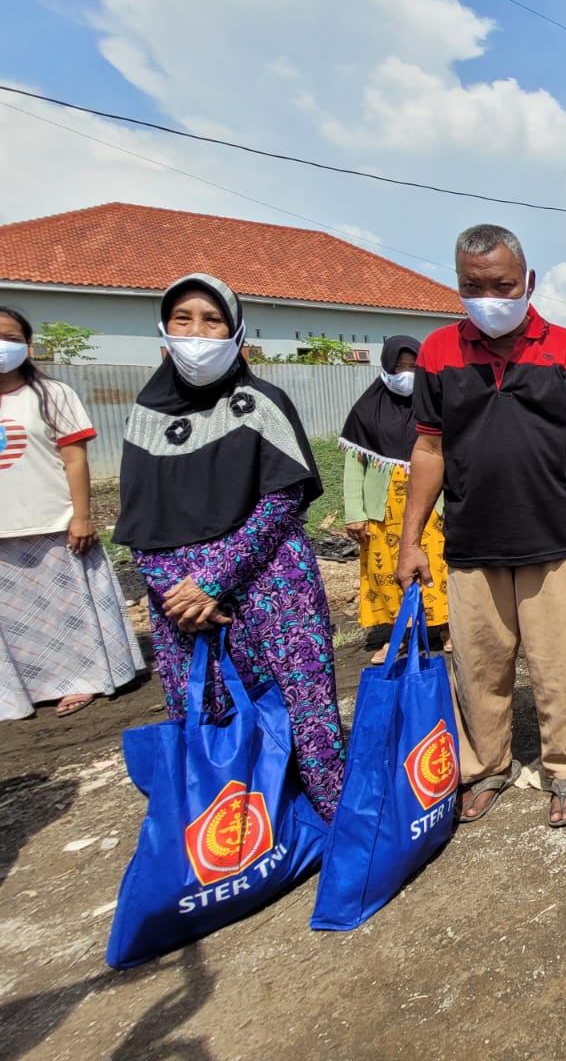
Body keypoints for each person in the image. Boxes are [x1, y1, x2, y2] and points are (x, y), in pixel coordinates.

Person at [399, 224, 566, 829]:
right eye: (474, 285)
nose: (488, 295)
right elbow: (429, 449)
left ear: (528, 282)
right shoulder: (439, 352)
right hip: (471, 540)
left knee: (562, 661)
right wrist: (411, 539)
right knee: (478, 666)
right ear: (459, 285)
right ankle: (486, 766)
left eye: (501, 284)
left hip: (555, 537)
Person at [114, 275, 345, 819]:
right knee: (213, 719)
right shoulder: (147, 418)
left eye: (212, 320)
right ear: (164, 332)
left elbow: (282, 500)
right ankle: (240, 839)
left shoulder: (262, 403)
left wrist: (213, 578)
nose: (197, 333)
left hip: (269, 583)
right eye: (183, 320)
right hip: (183, 605)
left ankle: (330, 825)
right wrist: (177, 592)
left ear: (235, 332)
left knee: (303, 710)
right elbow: (139, 518)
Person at [0, 307, 144, 720]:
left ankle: (82, 681)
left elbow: (75, 460)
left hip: (51, 522)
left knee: (66, 612)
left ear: (27, 347)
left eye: (10, 338)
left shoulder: (51, 395)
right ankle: (20, 689)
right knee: (13, 621)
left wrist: (81, 516)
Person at [339, 335, 450, 662]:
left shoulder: (435, 407)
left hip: (430, 506)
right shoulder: (365, 412)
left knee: (438, 567)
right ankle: (399, 636)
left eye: (413, 367)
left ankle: (447, 627)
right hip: (382, 510)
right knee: (386, 572)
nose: (406, 375)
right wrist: (354, 512)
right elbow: (354, 466)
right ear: (386, 368)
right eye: (399, 367)